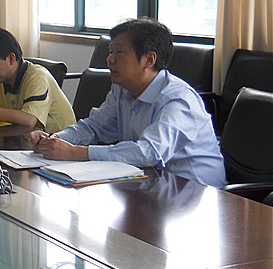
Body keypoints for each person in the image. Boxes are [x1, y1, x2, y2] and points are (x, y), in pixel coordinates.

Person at [28, 18, 226, 188]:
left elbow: (149, 152)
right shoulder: (122, 89)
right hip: (150, 182)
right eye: (110, 51)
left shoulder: (178, 100)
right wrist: (54, 140)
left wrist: (77, 153)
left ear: (149, 60)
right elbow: (94, 127)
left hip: (196, 192)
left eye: (119, 52)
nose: (109, 59)